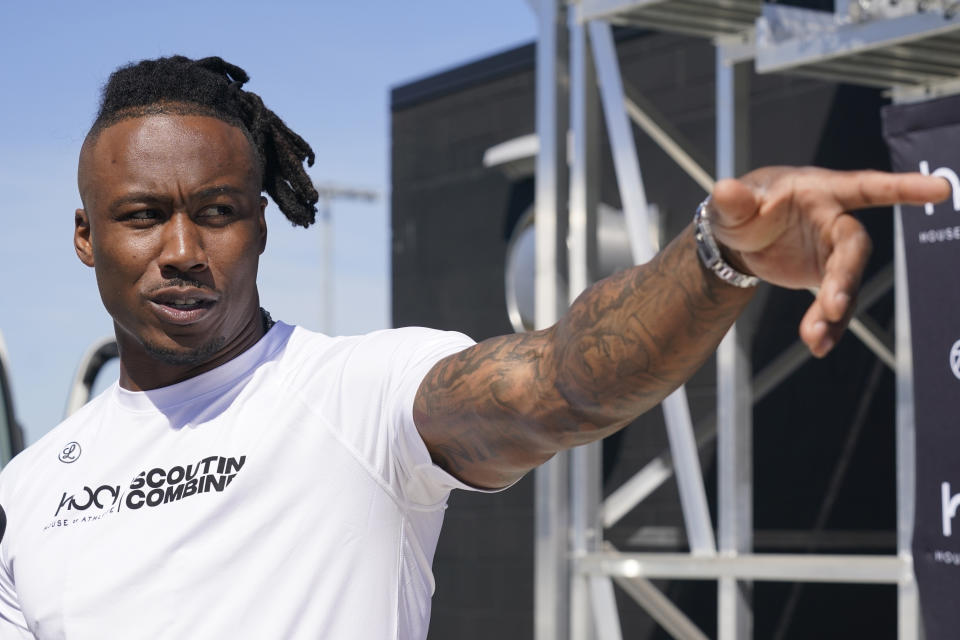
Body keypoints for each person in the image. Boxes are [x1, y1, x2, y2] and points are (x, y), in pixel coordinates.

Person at [0, 55, 947, 639]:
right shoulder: (28, 493)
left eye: (217, 212)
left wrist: (714, 258)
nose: (181, 251)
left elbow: (560, 381)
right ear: (87, 237)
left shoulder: (355, 396)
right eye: (140, 217)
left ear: (259, 225)